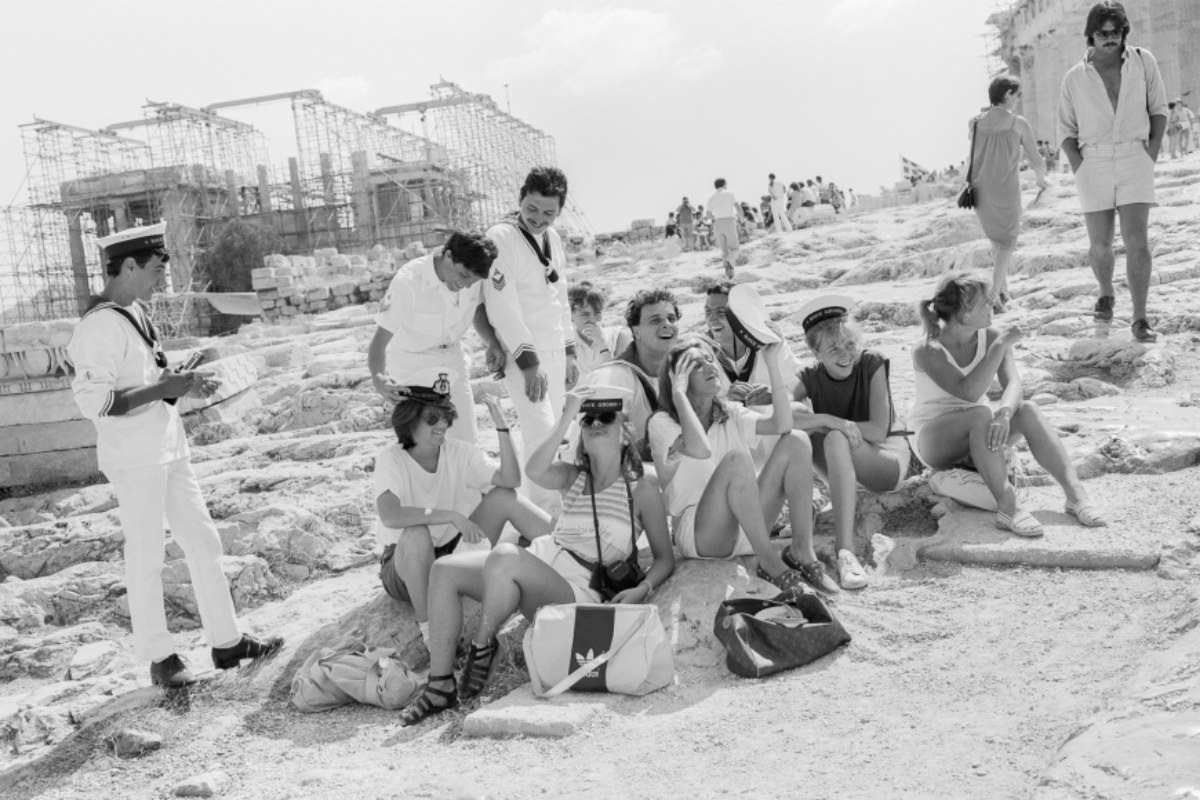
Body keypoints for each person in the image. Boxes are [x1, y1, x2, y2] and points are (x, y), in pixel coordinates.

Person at [66, 223, 281, 689]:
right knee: (146, 557)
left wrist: (179, 384)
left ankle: (226, 641)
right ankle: (161, 658)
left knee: (204, 542)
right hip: (136, 456)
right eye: (155, 269)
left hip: (168, 446)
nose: (160, 279)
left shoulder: (136, 312)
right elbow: (96, 402)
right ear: (128, 265)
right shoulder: (99, 325)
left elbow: (150, 378)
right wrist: (163, 388)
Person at [399, 385, 674, 725]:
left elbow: (664, 558)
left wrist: (642, 589)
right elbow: (533, 471)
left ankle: (483, 646)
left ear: (625, 431)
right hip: (536, 566)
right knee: (444, 569)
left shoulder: (641, 487)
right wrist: (567, 417)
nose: (596, 424)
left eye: (606, 418)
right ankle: (440, 685)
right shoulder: (573, 476)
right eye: (588, 420)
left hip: (576, 590)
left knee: (506, 556)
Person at [909, 273, 1106, 538]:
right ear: (965, 314)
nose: (994, 308)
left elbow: (1014, 384)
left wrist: (1003, 414)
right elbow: (968, 392)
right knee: (979, 412)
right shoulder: (927, 349)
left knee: (1028, 411)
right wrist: (1001, 345)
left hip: (977, 428)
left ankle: (1075, 495)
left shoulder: (990, 336)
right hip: (934, 439)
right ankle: (1007, 508)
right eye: (985, 304)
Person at [374, 369, 544, 663]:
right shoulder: (392, 457)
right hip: (404, 563)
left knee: (504, 497)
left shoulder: (459, 452)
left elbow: (510, 479)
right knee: (417, 534)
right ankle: (434, 637)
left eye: (445, 417)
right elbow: (390, 515)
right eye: (432, 418)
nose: (441, 424)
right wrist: (450, 516)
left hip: (453, 551)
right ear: (409, 418)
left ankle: (570, 550)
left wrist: (502, 427)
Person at [648, 336, 840, 594]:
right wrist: (679, 394)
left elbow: (781, 425)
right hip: (703, 537)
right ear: (678, 378)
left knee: (797, 440)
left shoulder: (729, 412)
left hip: (749, 531)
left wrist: (771, 364)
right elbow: (700, 448)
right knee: (736, 461)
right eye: (695, 365)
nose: (709, 366)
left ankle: (802, 552)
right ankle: (771, 563)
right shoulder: (661, 423)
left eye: (709, 359)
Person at [1057, 0, 1168, 342]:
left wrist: (1150, 152)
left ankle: (1139, 317)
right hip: (1095, 161)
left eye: (1116, 32)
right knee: (1100, 245)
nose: (1110, 38)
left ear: (1124, 32)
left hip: (1136, 155)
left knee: (1138, 242)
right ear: (1090, 35)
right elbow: (1065, 130)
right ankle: (1106, 291)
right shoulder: (1074, 77)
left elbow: (1159, 109)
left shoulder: (1142, 60)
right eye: (1102, 33)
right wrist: (1080, 165)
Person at [790, 297, 911, 590]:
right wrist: (830, 420)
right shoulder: (810, 376)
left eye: (850, 344)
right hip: (843, 458)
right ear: (815, 352)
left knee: (832, 435)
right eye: (832, 348)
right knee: (797, 435)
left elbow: (879, 430)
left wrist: (832, 424)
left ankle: (846, 552)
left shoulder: (871, 362)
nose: (845, 355)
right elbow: (787, 416)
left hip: (884, 460)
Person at [483, 166, 577, 507]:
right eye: (532, 209)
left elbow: (560, 294)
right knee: (541, 434)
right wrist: (527, 363)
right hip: (523, 355)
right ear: (521, 199)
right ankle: (544, 520)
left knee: (556, 435)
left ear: (559, 211)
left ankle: (533, 506)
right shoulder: (501, 237)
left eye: (549, 213)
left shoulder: (553, 239)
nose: (539, 218)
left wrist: (569, 351)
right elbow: (501, 306)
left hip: (553, 348)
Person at [368, 231, 502, 445]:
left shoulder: (472, 276)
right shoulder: (408, 281)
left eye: (473, 280)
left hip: (453, 358)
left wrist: (492, 342)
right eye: (464, 276)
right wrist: (378, 378)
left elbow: (476, 309)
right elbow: (379, 340)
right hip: (412, 365)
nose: (467, 284)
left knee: (466, 440)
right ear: (448, 255)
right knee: (422, 442)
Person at [969, 74, 1048, 314]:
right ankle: (992, 298)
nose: (1019, 98)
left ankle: (1002, 293)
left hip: (980, 190)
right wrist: (1042, 181)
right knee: (1007, 243)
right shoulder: (1018, 123)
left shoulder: (974, 122)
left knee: (997, 242)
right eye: (1017, 93)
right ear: (1007, 95)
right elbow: (1036, 159)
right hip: (1005, 189)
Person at [584, 288, 681, 456]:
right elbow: (594, 446)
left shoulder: (689, 367)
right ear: (636, 332)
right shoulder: (611, 379)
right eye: (655, 320)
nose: (667, 324)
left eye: (671, 318)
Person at [703, 282, 801, 406]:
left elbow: (800, 386)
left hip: (769, 420)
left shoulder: (768, 343)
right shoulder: (700, 352)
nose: (711, 319)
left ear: (741, 314)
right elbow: (694, 405)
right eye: (708, 312)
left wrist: (776, 396)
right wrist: (727, 401)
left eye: (721, 312)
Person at [568, 281, 630, 379]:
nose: (593, 320)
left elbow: (620, 379)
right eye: (585, 314)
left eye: (597, 313)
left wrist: (602, 344)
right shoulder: (565, 345)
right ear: (570, 315)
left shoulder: (618, 336)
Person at [707, 178, 741, 278]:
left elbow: (708, 215)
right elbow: (737, 207)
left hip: (717, 223)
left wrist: (717, 217)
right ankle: (728, 262)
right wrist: (742, 219)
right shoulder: (729, 193)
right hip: (729, 221)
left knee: (725, 251)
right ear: (724, 184)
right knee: (735, 249)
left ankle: (729, 275)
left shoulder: (711, 197)